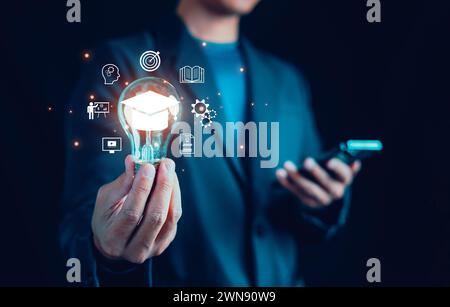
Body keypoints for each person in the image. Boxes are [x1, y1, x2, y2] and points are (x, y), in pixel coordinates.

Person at [61, 0, 361, 286]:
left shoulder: (286, 79)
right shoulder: (123, 61)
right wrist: (104, 245)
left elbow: (291, 210)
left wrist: (320, 201)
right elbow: (87, 210)